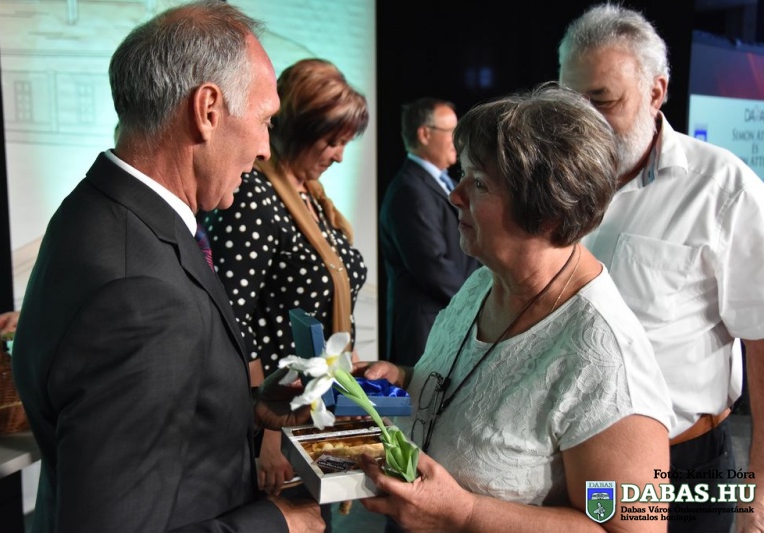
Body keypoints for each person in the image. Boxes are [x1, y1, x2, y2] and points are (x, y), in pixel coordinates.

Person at [11, 2, 324, 531]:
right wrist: (277, 523)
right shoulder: (139, 293)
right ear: (208, 110)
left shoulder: (99, 210)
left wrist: (246, 403)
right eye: (264, 120)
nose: (266, 149)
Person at [359, 84, 673, 532]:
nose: (455, 195)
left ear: (547, 213)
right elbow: (483, 393)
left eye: (479, 183)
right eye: (464, 175)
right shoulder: (485, 282)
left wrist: (464, 514)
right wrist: (407, 380)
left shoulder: (606, 359)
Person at [558, 5, 764, 531]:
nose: (583, 121)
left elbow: (762, 342)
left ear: (657, 91)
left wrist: (759, 493)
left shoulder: (723, 191)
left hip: (682, 469)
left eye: (603, 100)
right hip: (568, 466)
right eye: (570, 102)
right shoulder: (552, 184)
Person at [202, 58, 369, 499]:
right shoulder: (254, 194)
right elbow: (233, 320)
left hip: (311, 413)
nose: (339, 155)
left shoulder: (312, 198)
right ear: (299, 130)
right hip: (278, 423)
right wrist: (267, 437)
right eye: (331, 141)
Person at [379, 98, 479, 367]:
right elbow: (433, 266)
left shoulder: (445, 183)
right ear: (424, 134)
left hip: (448, 322)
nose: (458, 141)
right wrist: (478, 304)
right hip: (425, 332)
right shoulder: (409, 190)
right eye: (452, 132)